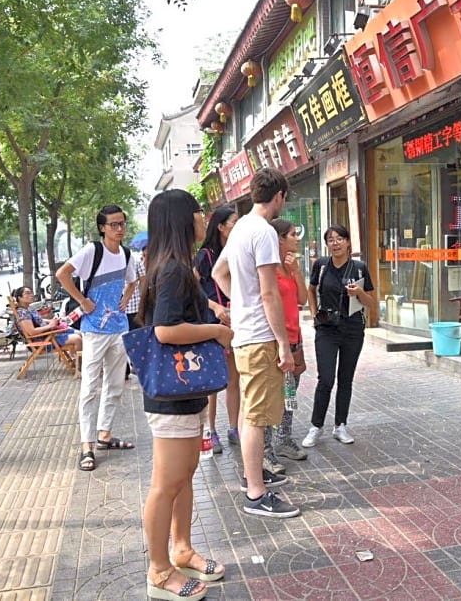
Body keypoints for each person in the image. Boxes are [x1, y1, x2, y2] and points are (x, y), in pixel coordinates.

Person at [140, 189, 230, 601]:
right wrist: (215, 330)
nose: (203, 217)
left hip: (186, 391)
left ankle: (182, 548)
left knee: (183, 477)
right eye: (197, 210)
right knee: (166, 483)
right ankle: (159, 570)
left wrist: (208, 307)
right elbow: (165, 330)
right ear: (182, 219)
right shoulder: (173, 269)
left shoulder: (178, 267)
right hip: (174, 396)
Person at [212, 167, 299, 519]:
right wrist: (283, 343)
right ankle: (256, 493)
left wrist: (238, 305)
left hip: (245, 333)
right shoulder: (262, 232)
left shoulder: (240, 229)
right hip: (261, 336)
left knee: (252, 411)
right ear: (278, 196)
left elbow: (219, 273)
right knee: (257, 417)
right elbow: (269, 292)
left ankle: (254, 476)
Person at [55, 204, 138, 471]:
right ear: (102, 227)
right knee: (90, 388)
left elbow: (133, 280)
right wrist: (81, 300)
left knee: (115, 385)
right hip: (93, 330)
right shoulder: (93, 251)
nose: (119, 228)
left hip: (118, 327)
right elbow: (62, 274)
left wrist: (125, 299)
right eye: (114, 224)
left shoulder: (126, 254)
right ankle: (86, 446)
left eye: (122, 223)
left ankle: (104, 434)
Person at [302, 225, 375, 448]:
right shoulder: (321, 266)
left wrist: (359, 293)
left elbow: (372, 302)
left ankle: (340, 425)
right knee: (326, 379)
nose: (335, 243)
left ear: (348, 242)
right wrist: (314, 314)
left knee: (346, 379)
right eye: (331, 240)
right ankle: (316, 426)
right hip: (327, 329)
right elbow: (311, 289)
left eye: (340, 239)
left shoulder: (359, 268)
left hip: (353, 329)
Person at [193, 206, 241, 453]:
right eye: (234, 222)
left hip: (235, 322)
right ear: (221, 227)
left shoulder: (237, 251)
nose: (238, 225)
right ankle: (211, 432)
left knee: (234, 379)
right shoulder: (205, 256)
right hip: (212, 323)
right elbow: (192, 288)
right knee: (213, 382)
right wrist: (213, 306)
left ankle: (234, 428)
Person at [267, 218, 309, 465]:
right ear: (280, 239)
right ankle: (267, 449)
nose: (297, 238)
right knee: (272, 396)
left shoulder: (291, 267)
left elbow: (302, 299)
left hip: (296, 340)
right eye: (292, 235)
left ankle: (285, 438)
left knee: (290, 393)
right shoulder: (268, 268)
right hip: (276, 342)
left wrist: (296, 273)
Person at [11, 286, 83, 359]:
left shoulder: (29, 308)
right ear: (19, 298)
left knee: (79, 333)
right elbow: (31, 332)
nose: (31, 295)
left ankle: (74, 358)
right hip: (42, 341)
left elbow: (39, 320)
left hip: (48, 335)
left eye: (31, 293)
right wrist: (50, 326)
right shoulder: (22, 313)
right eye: (27, 293)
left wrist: (52, 321)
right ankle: (79, 364)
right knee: (77, 339)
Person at [121, 246, 147, 381]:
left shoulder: (135, 261)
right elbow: (143, 281)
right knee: (134, 338)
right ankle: (131, 366)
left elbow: (143, 281)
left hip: (132, 308)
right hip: (126, 309)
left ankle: (133, 366)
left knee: (130, 338)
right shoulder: (136, 260)